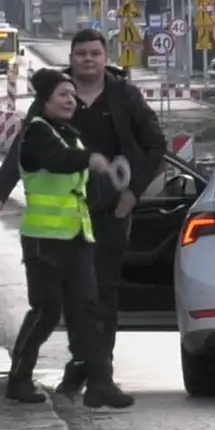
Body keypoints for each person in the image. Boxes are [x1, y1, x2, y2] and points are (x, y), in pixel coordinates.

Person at [0, 68, 134, 409]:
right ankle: (19, 379)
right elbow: (58, 161)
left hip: (77, 237)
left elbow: (75, 177)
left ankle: (100, 383)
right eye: (62, 95)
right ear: (45, 101)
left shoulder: (69, 133)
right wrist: (88, 159)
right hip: (44, 241)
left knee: (87, 312)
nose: (70, 100)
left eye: (72, 94)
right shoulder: (37, 133)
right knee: (46, 311)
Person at [55, 28, 167, 396]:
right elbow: (31, 143)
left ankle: (101, 371)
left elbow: (155, 146)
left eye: (95, 53)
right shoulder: (56, 95)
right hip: (64, 210)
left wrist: (133, 194)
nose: (88, 59)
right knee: (73, 294)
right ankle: (81, 362)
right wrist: (0, 192)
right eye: (81, 54)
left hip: (111, 209)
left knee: (103, 291)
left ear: (105, 57)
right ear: (71, 58)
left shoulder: (123, 96)